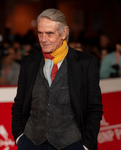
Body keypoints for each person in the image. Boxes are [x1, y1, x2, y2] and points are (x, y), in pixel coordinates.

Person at [11, 8, 103, 150]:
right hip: (31, 142)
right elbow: (19, 103)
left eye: (49, 33)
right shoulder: (29, 62)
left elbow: (94, 107)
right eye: (40, 33)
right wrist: (19, 137)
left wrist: (86, 145)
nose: (43, 39)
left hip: (72, 144)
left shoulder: (85, 63)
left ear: (63, 33)